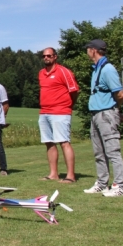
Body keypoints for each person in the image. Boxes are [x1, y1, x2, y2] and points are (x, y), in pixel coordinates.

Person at [84, 39, 123, 197]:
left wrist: (114, 111)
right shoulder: (97, 69)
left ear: (93, 50)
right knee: (99, 152)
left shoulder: (108, 69)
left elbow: (120, 94)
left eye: (88, 49)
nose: (87, 52)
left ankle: (119, 187)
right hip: (96, 114)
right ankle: (102, 184)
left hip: (106, 114)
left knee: (112, 151)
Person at [38, 47, 78, 183]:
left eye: (49, 55)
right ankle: (53, 174)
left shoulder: (64, 71)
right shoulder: (41, 73)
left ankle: (70, 176)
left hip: (60, 112)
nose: (46, 58)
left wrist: (68, 106)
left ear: (55, 57)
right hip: (44, 112)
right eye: (44, 56)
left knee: (64, 142)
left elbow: (74, 91)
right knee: (49, 143)